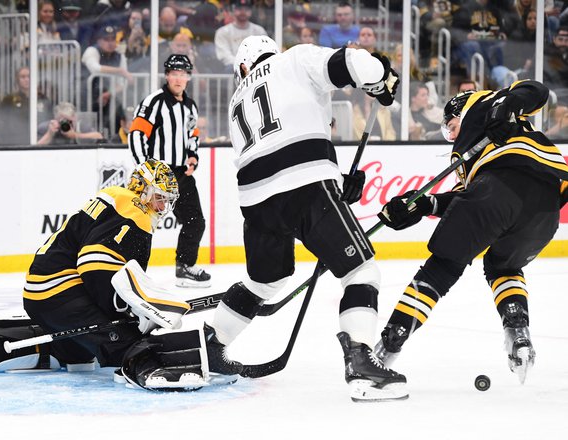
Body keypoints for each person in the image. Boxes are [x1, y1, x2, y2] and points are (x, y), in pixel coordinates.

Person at [203, 35, 407, 401]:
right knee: (361, 272)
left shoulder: (238, 99)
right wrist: (379, 76)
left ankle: (211, 347)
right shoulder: (292, 60)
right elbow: (352, 61)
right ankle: (361, 363)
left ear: (244, 67)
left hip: (256, 200)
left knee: (264, 282)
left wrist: (338, 179)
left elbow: (279, 144)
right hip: (306, 188)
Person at [0, 160, 220, 390]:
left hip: (43, 291)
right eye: (158, 197)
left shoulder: (116, 198)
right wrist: (121, 313)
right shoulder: (135, 211)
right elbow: (93, 261)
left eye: (167, 201)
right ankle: (150, 368)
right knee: (126, 341)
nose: (162, 208)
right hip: (60, 291)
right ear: (141, 189)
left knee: (78, 352)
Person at [374, 80, 568, 384]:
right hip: (545, 211)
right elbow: (468, 202)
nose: (451, 135)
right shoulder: (470, 151)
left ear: (461, 110)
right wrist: (424, 204)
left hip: (501, 187)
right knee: (503, 266)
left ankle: (390, 342)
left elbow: (537, 91)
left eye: (451, 126)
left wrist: (504, 107)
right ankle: (518, 332)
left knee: (443, 266)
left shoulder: (486, 103)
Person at [128, 54, 212, 288]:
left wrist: (193, 156)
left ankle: (185, 267)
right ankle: (131, 270)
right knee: (142, 223)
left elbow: (192, 135)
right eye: (173, 73)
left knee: (196, 221)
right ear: (166, 76)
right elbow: (136, 134)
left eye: (182, 74)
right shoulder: (154, 102)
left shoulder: (190, 106)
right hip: (157, 174)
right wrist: (146, 170)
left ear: (188, 77)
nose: (178, 78)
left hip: (181, 175)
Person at [81, 24, 132, 135]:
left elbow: (122, 83)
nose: (110, 43)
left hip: (107, 96)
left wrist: (108, 94)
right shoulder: (91, 51)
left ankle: (115, 137)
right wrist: (120, 71)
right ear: (99, 40)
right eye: (106, 39)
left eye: (113, 39)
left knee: (116, 110)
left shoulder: (119, 56)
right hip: (86, 97)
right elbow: (95, 68)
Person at [0, 66, 54, 144]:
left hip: (40, 143)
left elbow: (49, 121)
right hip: (15, 143)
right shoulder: (9, 100)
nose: (26, 79)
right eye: (23, 77)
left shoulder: (42, 99)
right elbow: (2, 122)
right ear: (17, 80)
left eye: (29, 76)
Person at [214, 0, 267, 72]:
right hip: (232, 69)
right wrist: (241, 66)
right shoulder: (223, 32)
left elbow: (264, 52)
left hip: (255, 69)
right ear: (233, 10)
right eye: (239, 9)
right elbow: (224, 55)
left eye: (246, 9)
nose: (243, 12)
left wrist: (252, 65)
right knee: (229, 69)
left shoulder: (259, 31)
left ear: (251, 11)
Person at [38, 101, 105, 145]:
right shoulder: (48, 127)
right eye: (61, 121)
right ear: (55, 119)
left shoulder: (80, 126)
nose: (65, 124)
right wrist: (49, 134)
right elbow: (33, 149)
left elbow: (99, 136)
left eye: (68, 121)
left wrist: (75, 135)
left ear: (74, 118)